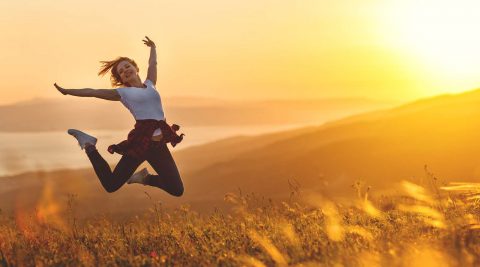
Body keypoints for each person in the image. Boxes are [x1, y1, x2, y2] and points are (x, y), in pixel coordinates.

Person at [53, 36, 184, 197]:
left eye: (127, 66)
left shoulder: (150, 84)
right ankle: (89, 144)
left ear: (136, 68)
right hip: (141, 144)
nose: (125, 71)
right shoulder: (124, 93)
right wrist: (68, 91)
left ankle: (144, 178)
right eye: (121, 72)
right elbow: (93, 92)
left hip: (158, 147)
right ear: (121, 79)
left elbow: (153, 64)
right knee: (111, 184)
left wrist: (153, 48)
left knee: (177, 189)